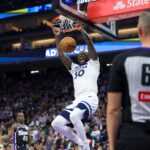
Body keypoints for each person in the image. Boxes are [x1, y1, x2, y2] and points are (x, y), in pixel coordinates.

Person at [51, 26, 100, 150]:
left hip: (90, 98)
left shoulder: (94, 63)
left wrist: (81, 29)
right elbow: (61, 55)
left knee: (74, 116)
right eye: (78, 55)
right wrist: (57, 37)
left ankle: (85, 145)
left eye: (83, 53)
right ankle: (79, 142)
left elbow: (89, 42)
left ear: (88, 56)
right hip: (77, 100)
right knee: (56, 123)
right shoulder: (74, 68)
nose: (80, 55)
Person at [107, 9, 150, 150]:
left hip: (132, 138)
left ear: (139, 30)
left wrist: (112, 146)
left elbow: (113, 110)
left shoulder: (121, 60)